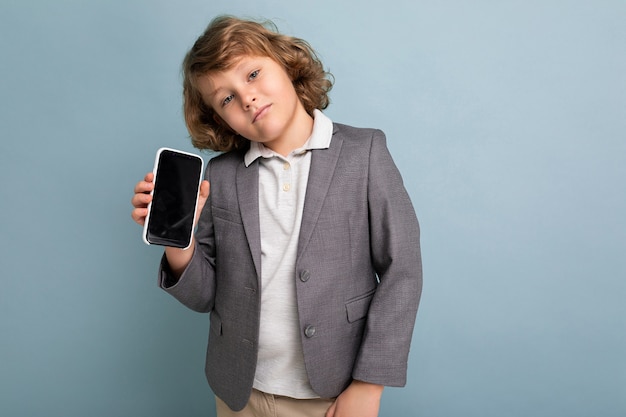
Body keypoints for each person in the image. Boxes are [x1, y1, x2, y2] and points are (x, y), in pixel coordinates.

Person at [131, 15, 422, 417]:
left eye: (252, 74)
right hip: (239, 392)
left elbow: (402, 270)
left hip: (333, 393)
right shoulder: (222, 174)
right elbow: (205, 296)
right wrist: (181, 242)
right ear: (219, 119)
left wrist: (368, 386)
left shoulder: (364, 152)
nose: (247, 97)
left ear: (286, 63)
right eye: (227, 99)